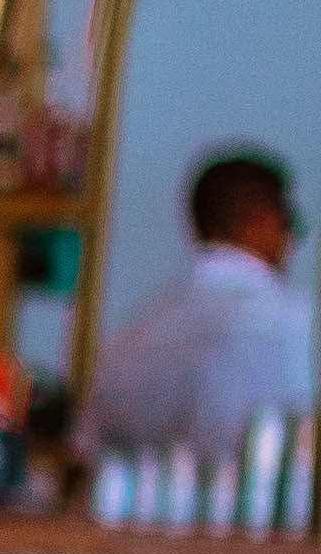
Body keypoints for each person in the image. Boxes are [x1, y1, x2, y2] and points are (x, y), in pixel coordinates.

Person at [83, 150, 308, 466]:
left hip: (131, 514)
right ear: (264, 219)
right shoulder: (294, 323)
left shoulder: (132, 335)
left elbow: (88, 455)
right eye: (291, 222)